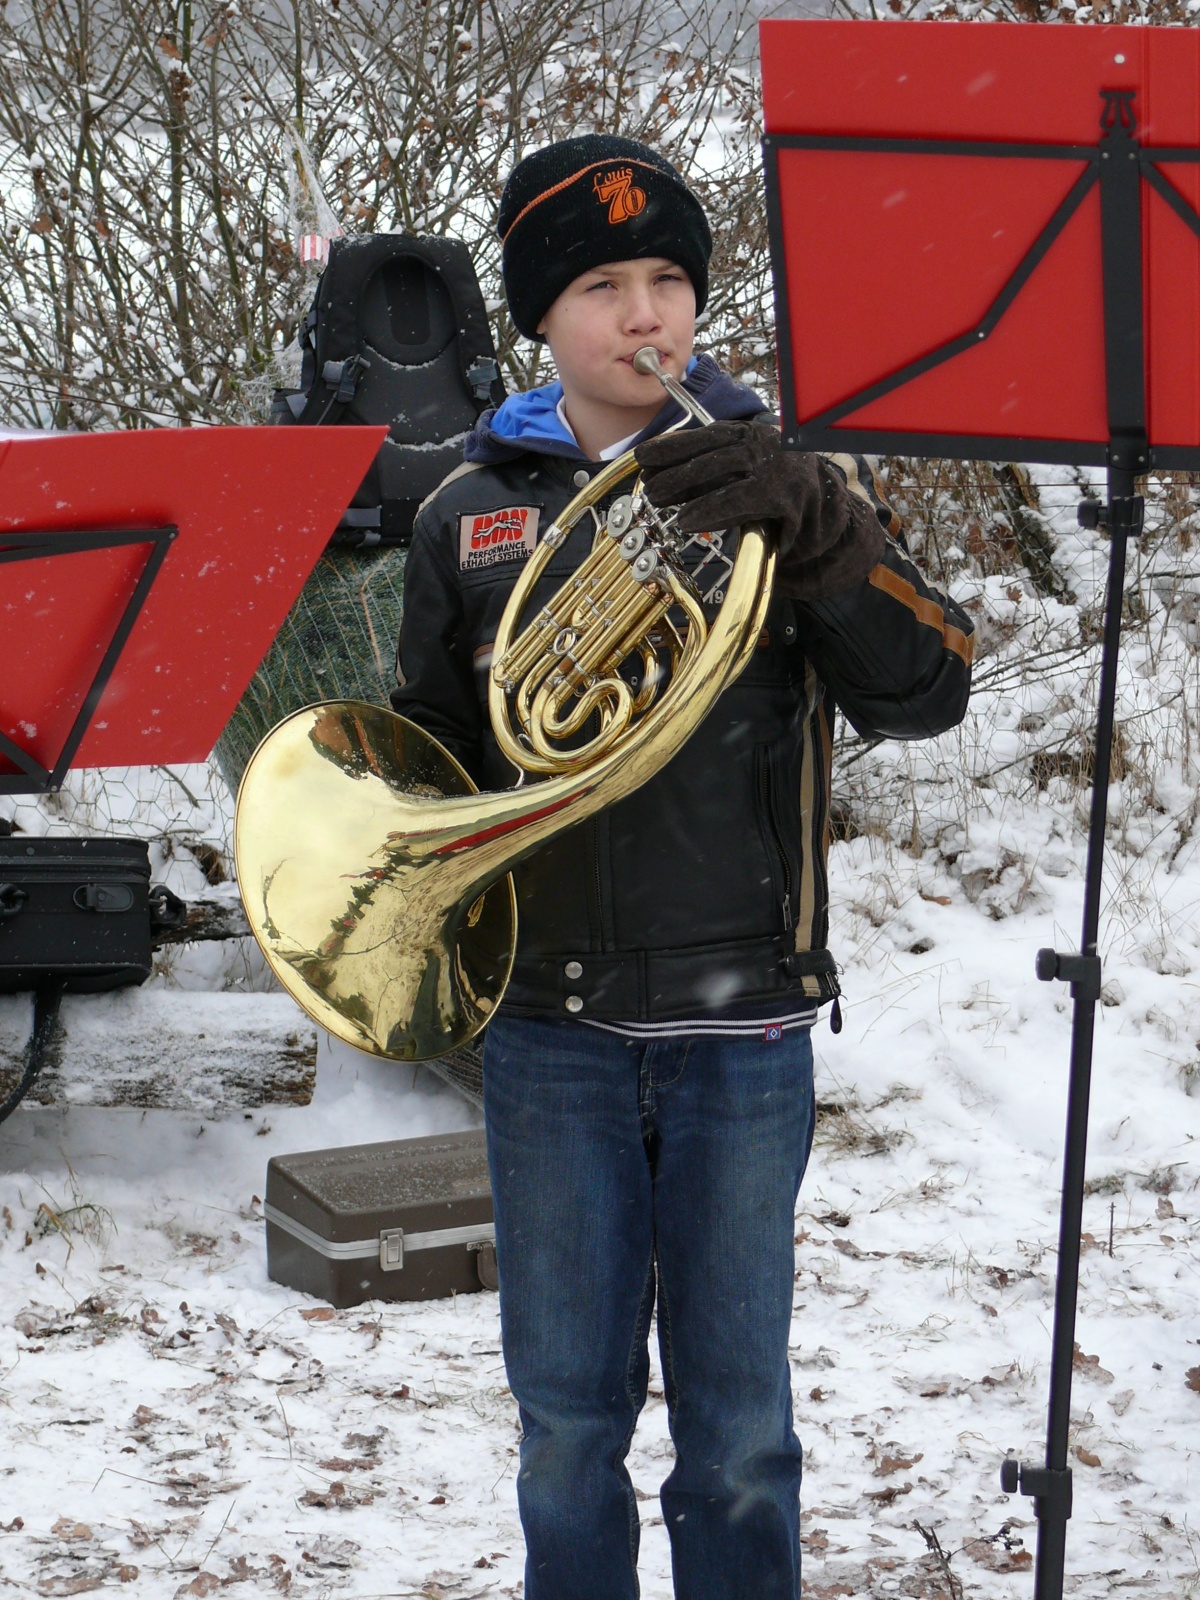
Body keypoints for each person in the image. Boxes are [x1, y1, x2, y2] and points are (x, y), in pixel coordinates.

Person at [392, 134, 973, 1600]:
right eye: (602, 286)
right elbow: (432, 767)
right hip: (552, 1037)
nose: (645, 316)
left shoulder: (778, 490)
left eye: (669, 281)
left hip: (742, 1031)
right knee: (564, 1435)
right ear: (541, 317)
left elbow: (928, 684)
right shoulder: (465, 517)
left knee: (740, 1443)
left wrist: (829, 532)